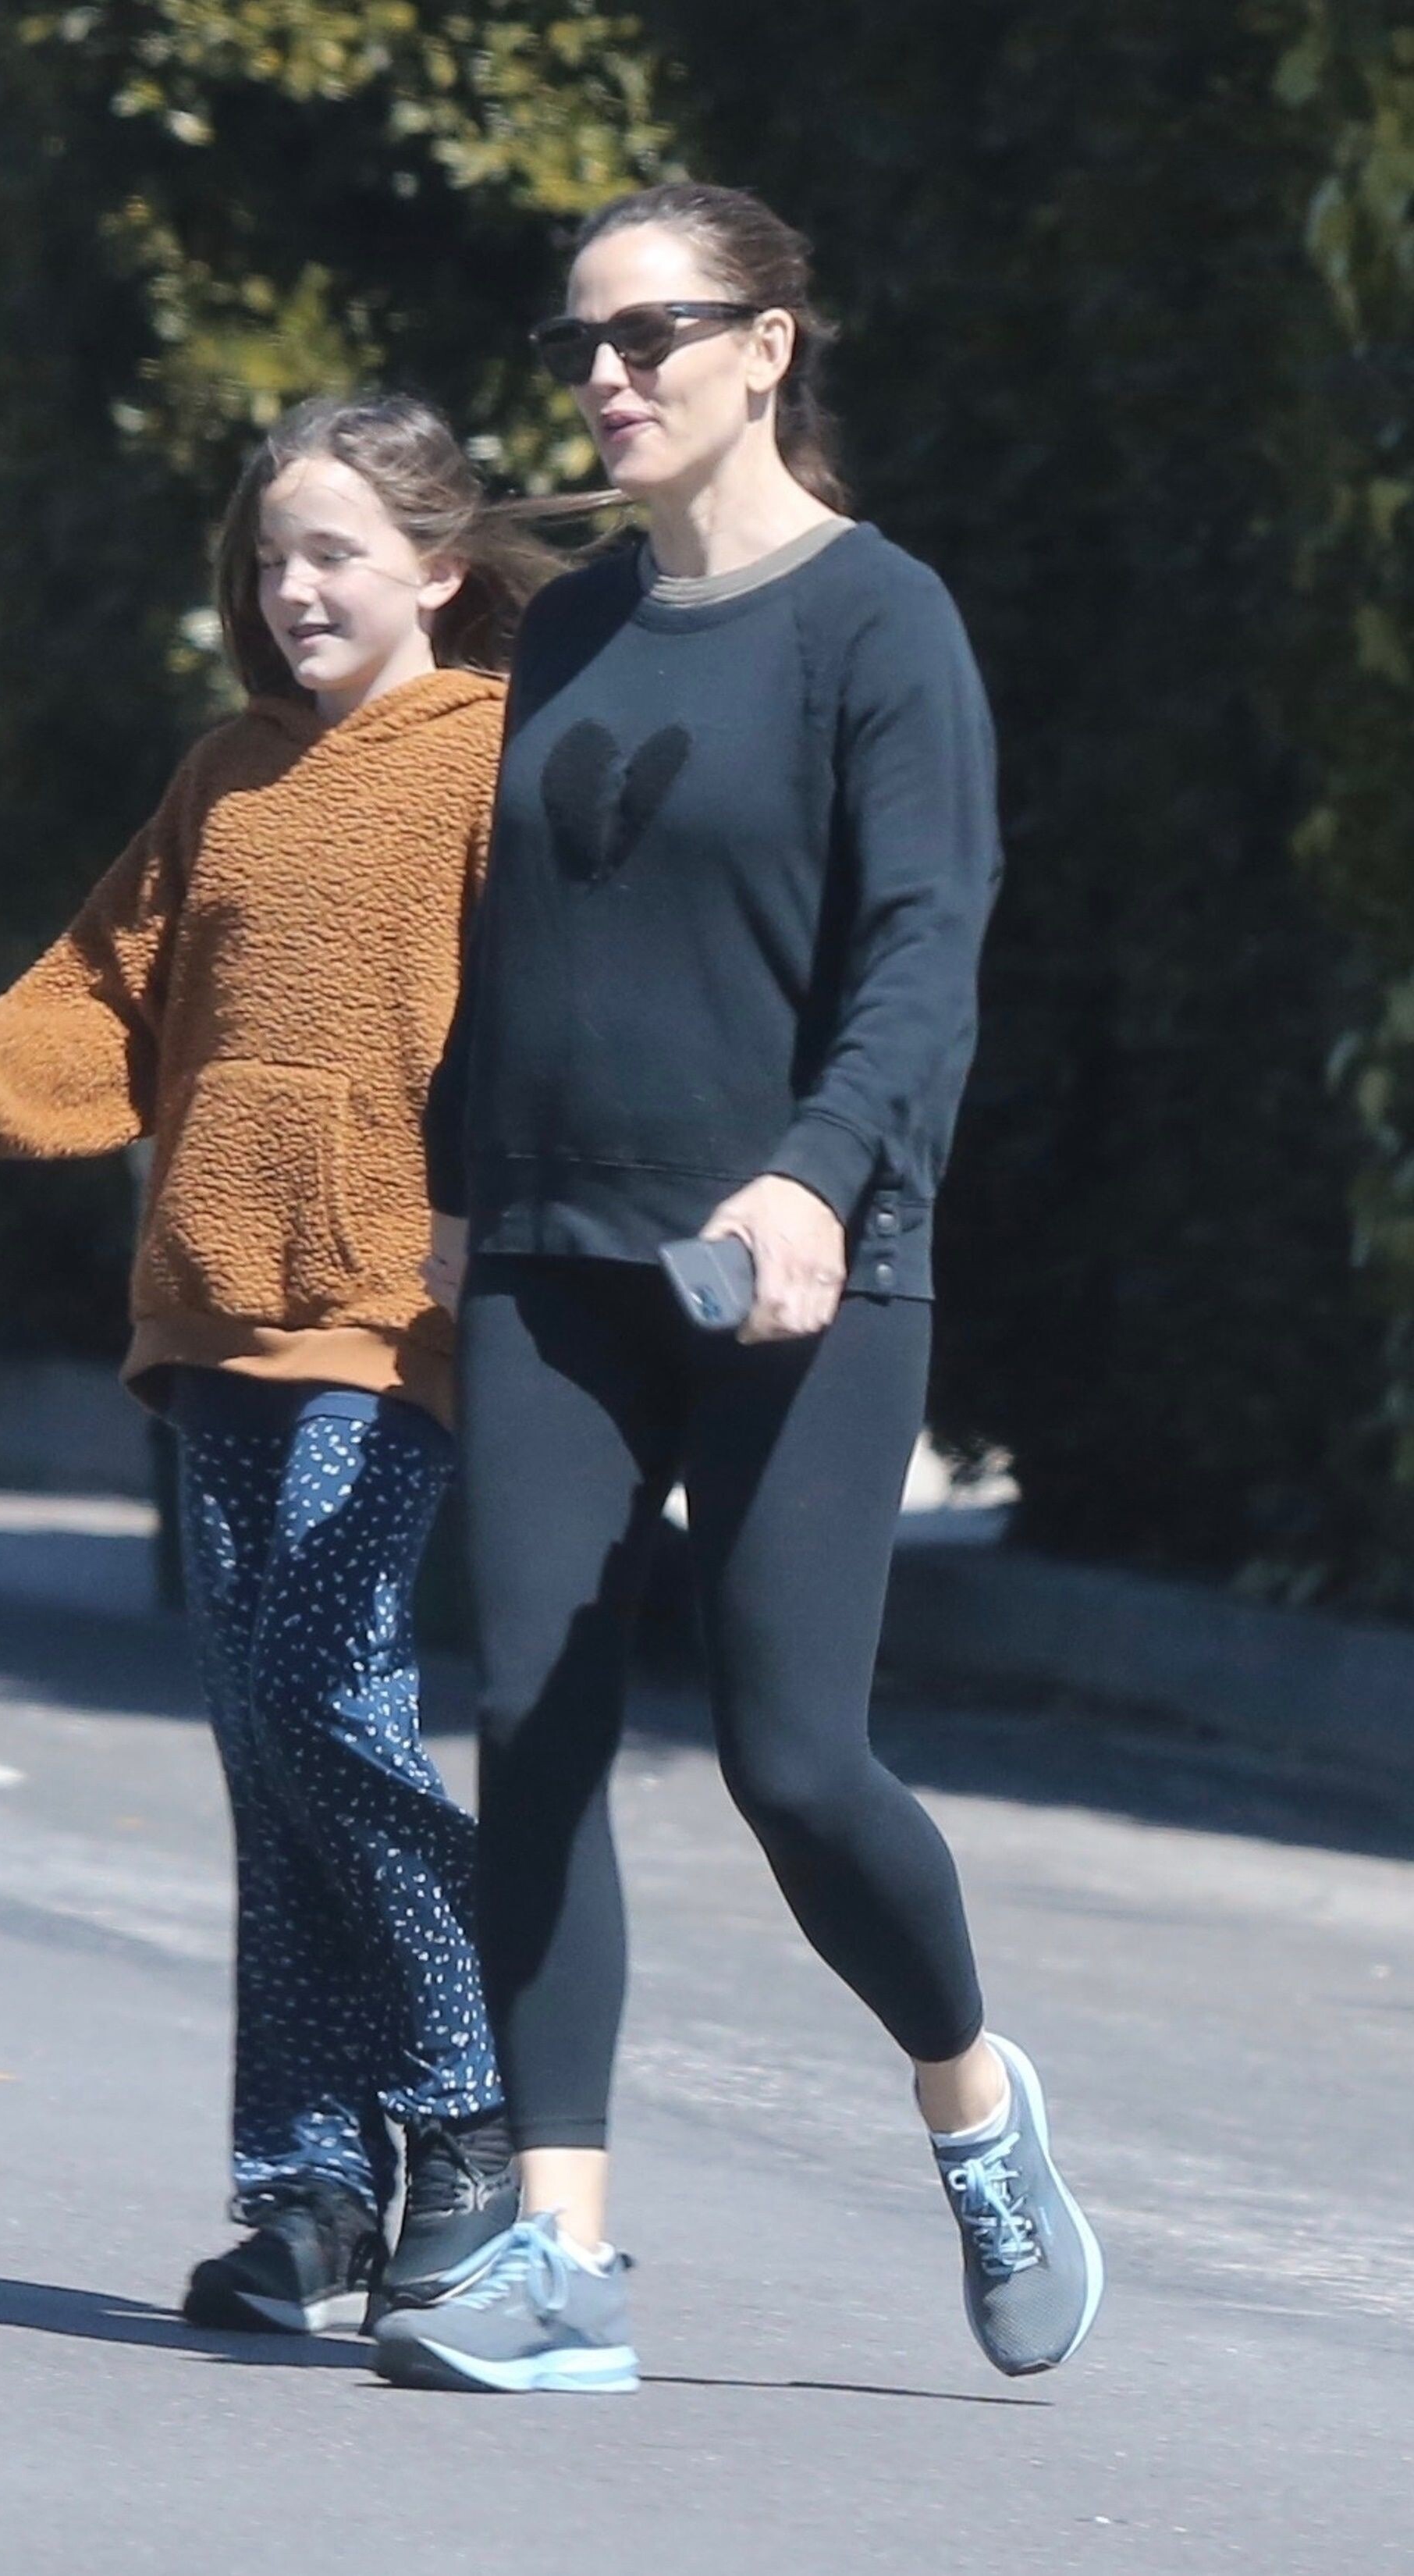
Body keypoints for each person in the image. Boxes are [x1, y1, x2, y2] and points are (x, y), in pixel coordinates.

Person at [373, 183, 1105, 2394]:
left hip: (804, 1268)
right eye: (579, 341)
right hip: (553, 1258)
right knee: (537, 1729)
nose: (606, 375)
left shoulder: (881, 623)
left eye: (652, 332)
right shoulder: (577, 627)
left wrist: (812, 1180)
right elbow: (513, 945)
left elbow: (923, 954)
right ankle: (563, 2255)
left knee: (795, 1763)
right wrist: (448, 1195)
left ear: (769, 345)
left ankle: (971, 2096)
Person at [0, 393, 556, 2336]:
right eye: (268, 556)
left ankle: (470, 2110)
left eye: (333, 552)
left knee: (323, 1701)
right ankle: (308, 2188)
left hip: (386, 1317)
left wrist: (497, 1219)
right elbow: (98, 1008)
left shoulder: (492, 761)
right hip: (210, 1310)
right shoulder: (224, 776)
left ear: (438, 568)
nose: (293, 587)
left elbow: (553, 1021)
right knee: (264, 1742)